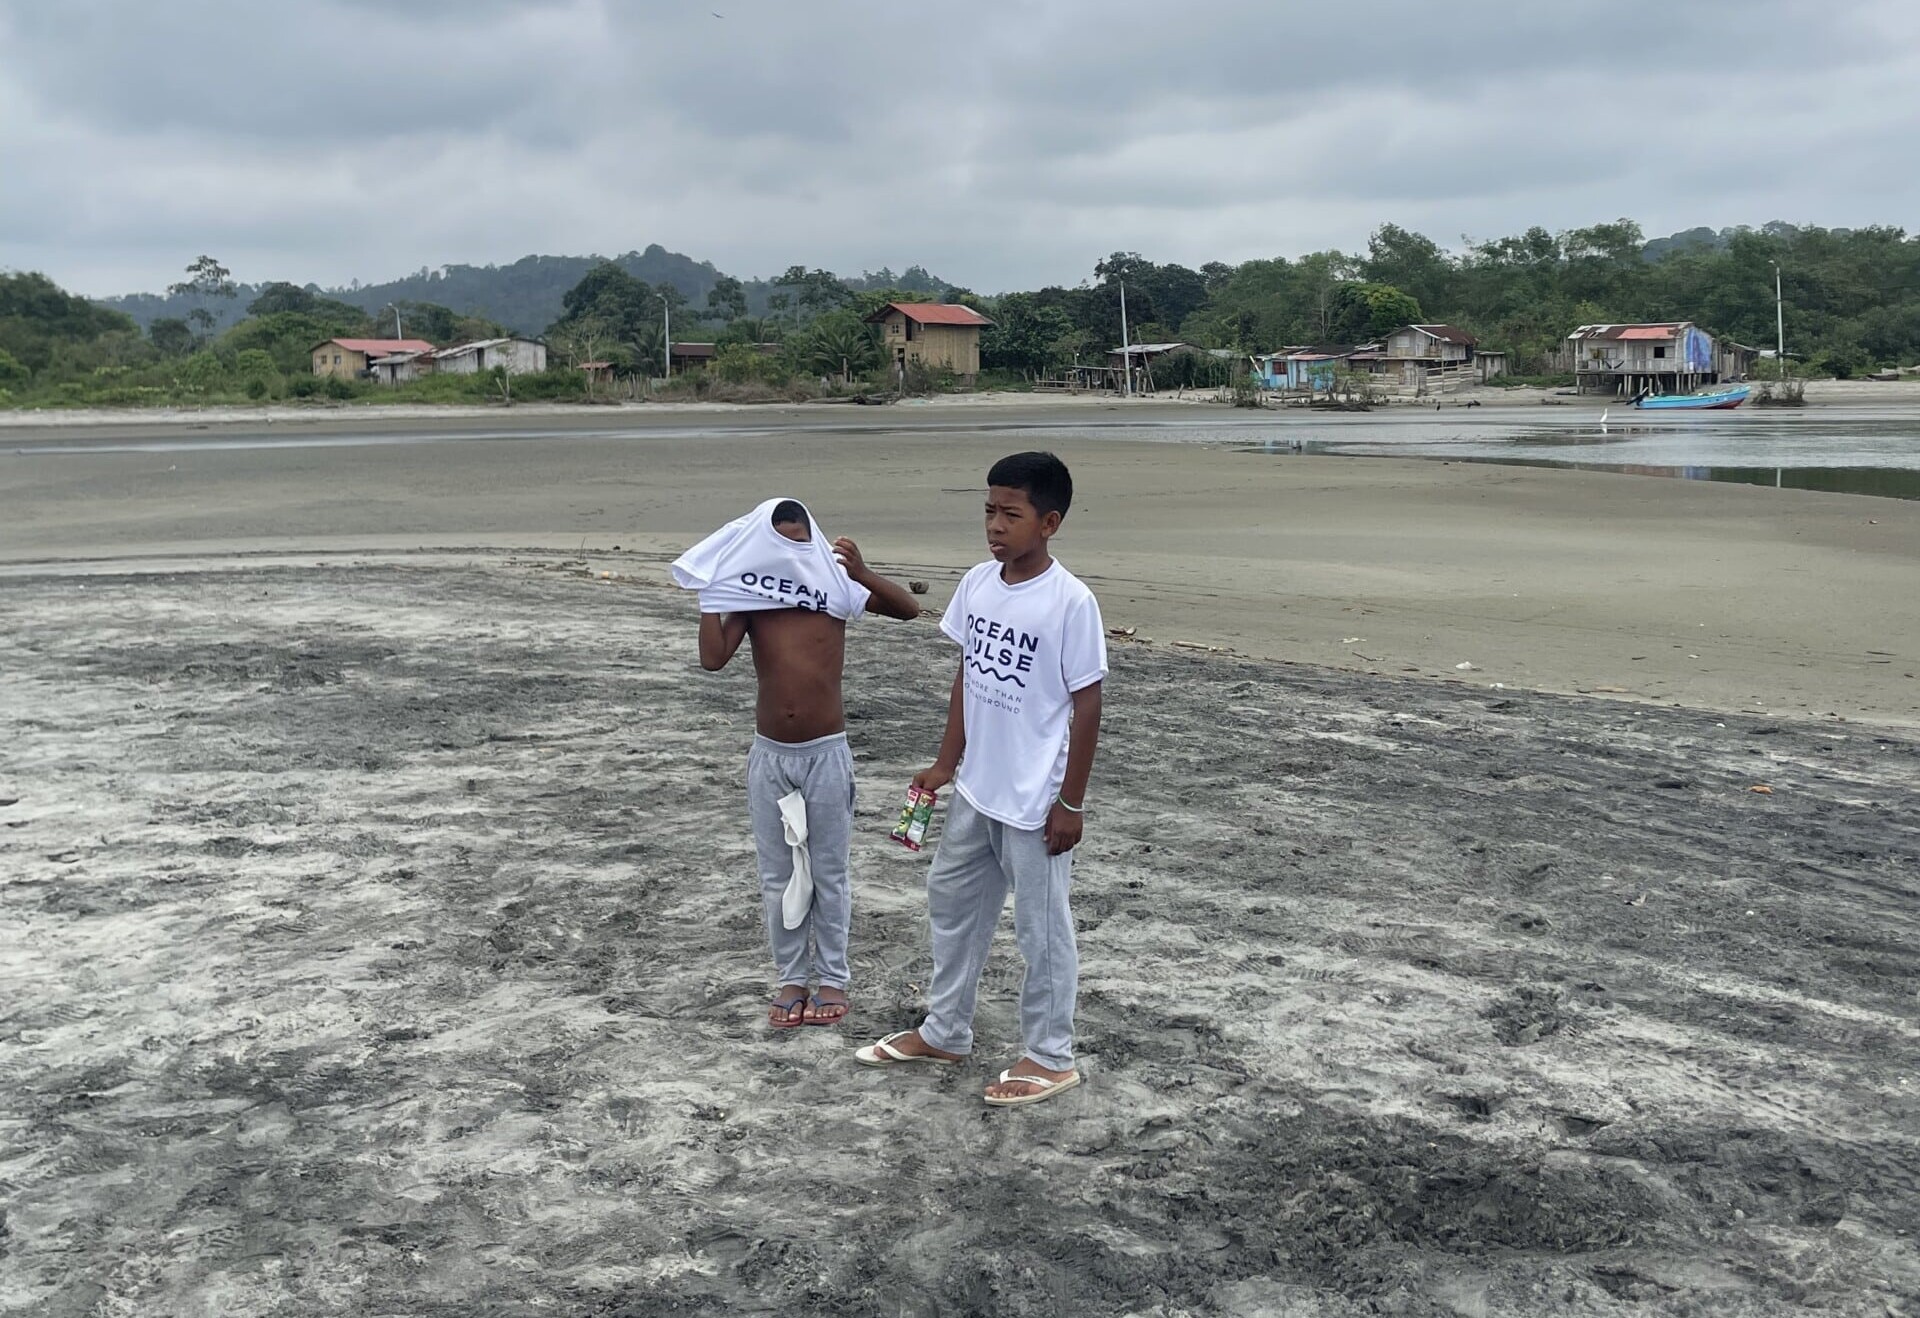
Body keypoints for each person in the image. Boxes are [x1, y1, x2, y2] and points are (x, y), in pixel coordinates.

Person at [855, 453, 1106, 1106]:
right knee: (952, 903)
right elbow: (969, 674)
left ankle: (1051, 1056)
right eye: (989, 512)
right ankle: (945, 1029)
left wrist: (1070, 803)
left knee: (1042, 932)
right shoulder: (978, 584)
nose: (995, 526)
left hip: (1034, 804)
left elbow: (1087, 705)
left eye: (1011, 514)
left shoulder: (1070, 603)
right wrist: (946, 763)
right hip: (977, 790)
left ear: (1048, 522)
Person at [674, 498, 921, 1028]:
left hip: (825, 753)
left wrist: (863, 573)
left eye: (796, 543)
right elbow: (713, 659)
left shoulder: (833, 586)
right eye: (777, 544)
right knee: (778, 874)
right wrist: (709, 596)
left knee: (829, 873)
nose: (788, 555)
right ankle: (791, 977)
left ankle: (832, 977)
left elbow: (909, 610)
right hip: (771, 755)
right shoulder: (753, 594)